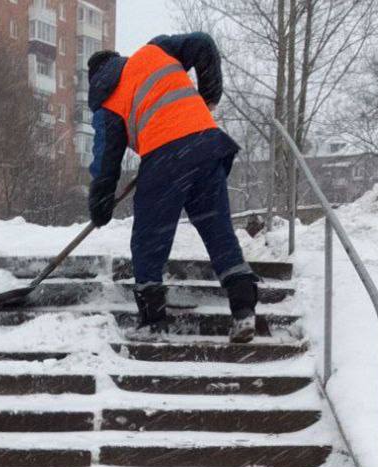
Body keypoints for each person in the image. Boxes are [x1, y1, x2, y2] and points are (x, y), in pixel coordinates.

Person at [87, 33, 259, 343]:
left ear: (95, 79)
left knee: (148, 240)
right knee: (218, 231)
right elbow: (203, 43)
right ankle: (244, 311)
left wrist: (100, 202)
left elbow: (105, 161)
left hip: (166, 159)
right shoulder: (154, 51)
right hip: (208, 147)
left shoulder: (107, 99)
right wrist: (208, 99)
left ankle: (153, 321)